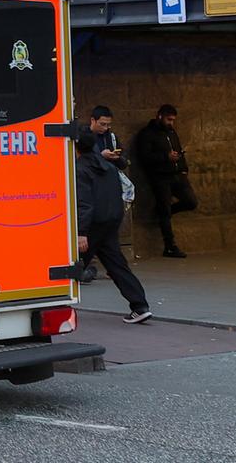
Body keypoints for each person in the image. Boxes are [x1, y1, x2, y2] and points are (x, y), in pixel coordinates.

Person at [77, 106, 152, 324]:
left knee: (71, 264)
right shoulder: (107, 166)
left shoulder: (81, 169)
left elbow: (84, 203)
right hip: (111, 219)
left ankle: (52, 306)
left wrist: (81, 232)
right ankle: (140, 305)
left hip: (93, 224)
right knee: (116, 263)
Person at [134, 104, 196, 258]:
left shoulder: (171, 132)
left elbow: (178, 150)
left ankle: (162, 213)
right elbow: (145, 157)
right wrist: (165, 157)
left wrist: (183, 168)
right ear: (159, 116)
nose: (171, 123)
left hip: (177, 174)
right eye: (169, 119)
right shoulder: (147, 134)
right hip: (160, 176)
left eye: (173, 120)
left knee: (191, 201)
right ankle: (170, 246)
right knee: (165, 210)